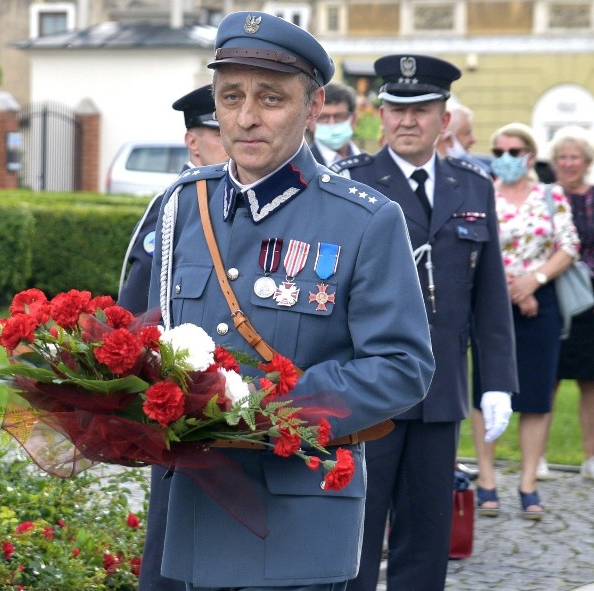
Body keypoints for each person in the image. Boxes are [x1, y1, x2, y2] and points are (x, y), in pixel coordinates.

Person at [144, 12, 436, 590]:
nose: (247, 117)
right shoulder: (182, 207)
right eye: (231, 97)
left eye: (271, 98)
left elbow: (404, 367)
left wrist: (260, 405)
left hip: (295, 520)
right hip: (188, 520)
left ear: (312, 106)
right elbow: (156, 337)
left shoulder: (365, 220)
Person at [333, 54, 518, 591]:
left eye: (422, 109)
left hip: (440, 390)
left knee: (427, 534)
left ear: (444, 118)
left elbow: (488, 295)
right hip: (370, 388)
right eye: (396, 109)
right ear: (381, 116)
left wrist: (498, 382)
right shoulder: (352, 184)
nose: (407, 121)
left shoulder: (473, 185)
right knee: (358, 529)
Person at [117, 83, 228, 591]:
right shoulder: (173, 208)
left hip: (249, 404)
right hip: (183, 402)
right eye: (217, 129)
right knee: (171, 548)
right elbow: (136, 310)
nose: (234, 135)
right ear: (193, 143)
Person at [470, 122, 580, 520]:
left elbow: (568, 244)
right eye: (498, 150)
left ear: (530, 157)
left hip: (541, 299)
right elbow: (473, 247)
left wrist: (534, 281)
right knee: (486, 390)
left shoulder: (550, 195)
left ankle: (529, 482)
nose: (505, 159)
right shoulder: (482, 192)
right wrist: (509, 289)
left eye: (513, 152)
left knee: (535, 394)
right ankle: (486, 480)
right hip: (491, 302)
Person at [541, 126, 594, 484]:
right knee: (549, 376)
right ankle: (538, 455)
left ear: (587, 161)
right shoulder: (543, 197)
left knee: (592, 379)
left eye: (574, 157)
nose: (568, 163)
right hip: (554, 289)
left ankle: (592, 457)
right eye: (562, 157)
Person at [118, 83, 228, 314]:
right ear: (192, 142)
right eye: (220, 134)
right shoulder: (172, 203)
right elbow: (138, 300)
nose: (230, 142)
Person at [309, 82, 361, 166]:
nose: (331, 123)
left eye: (339, 116)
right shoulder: (301, 166)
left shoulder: (371, 163)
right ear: (311, 121)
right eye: (323, 117)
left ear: (353, 119)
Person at [434, 102, 490, 174]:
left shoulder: (479, 173)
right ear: (448, 139)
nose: (474, 139)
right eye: (467, 133)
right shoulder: (425, 174)